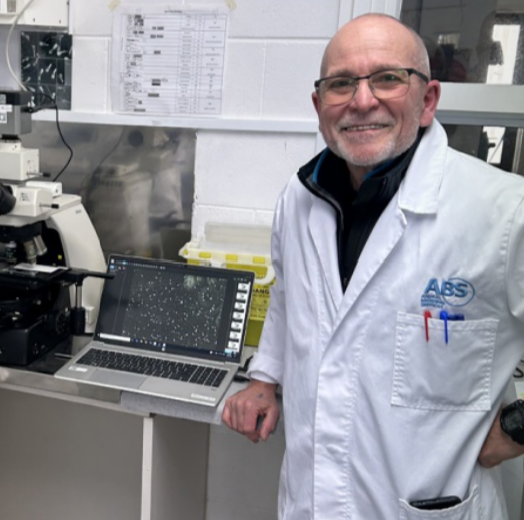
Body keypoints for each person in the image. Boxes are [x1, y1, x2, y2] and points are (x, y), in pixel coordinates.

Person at [222, 13, 524, 519]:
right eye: (341, 84)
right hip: (310, 501)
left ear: (426, 100)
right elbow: (289, 299)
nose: (362, 101)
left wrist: (516, 428)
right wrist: (264, 379)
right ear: (320, 106)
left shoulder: (503, 210)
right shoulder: (298, 199)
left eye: (387, 78)